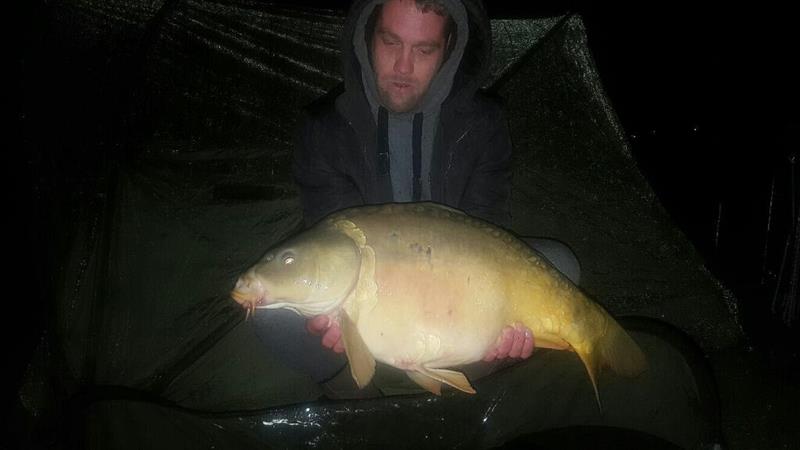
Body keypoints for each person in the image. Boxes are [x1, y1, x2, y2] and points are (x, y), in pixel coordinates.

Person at [258, 0, 580, 389]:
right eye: (390, 42)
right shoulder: (323, 130)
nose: (403, 67)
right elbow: (336, 234)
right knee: (271, 312)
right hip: (373, 294)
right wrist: (341, 313)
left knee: (562, 267)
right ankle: (371, 374)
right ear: (367, 37)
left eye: (424, 50)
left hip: (453, 290)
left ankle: (461, 355)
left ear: (448, 49)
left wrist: (494, 314)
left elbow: (488, 226)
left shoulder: (484, 123)